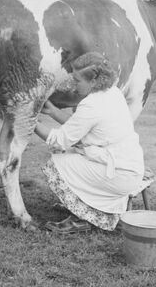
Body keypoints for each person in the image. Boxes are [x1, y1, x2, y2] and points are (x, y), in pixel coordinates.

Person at [34, 52, 144, 234]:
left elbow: (59, 141)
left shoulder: (91, 105)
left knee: (56, 163)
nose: (73, 84)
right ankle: (84, 204)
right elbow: (79, 127)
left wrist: (31, 122)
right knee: (70, 155)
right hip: (129, 165)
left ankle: (82, 217)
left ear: (93, 81)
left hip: (118, 174)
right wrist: (53, 111)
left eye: (77, 80)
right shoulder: (112, 92)